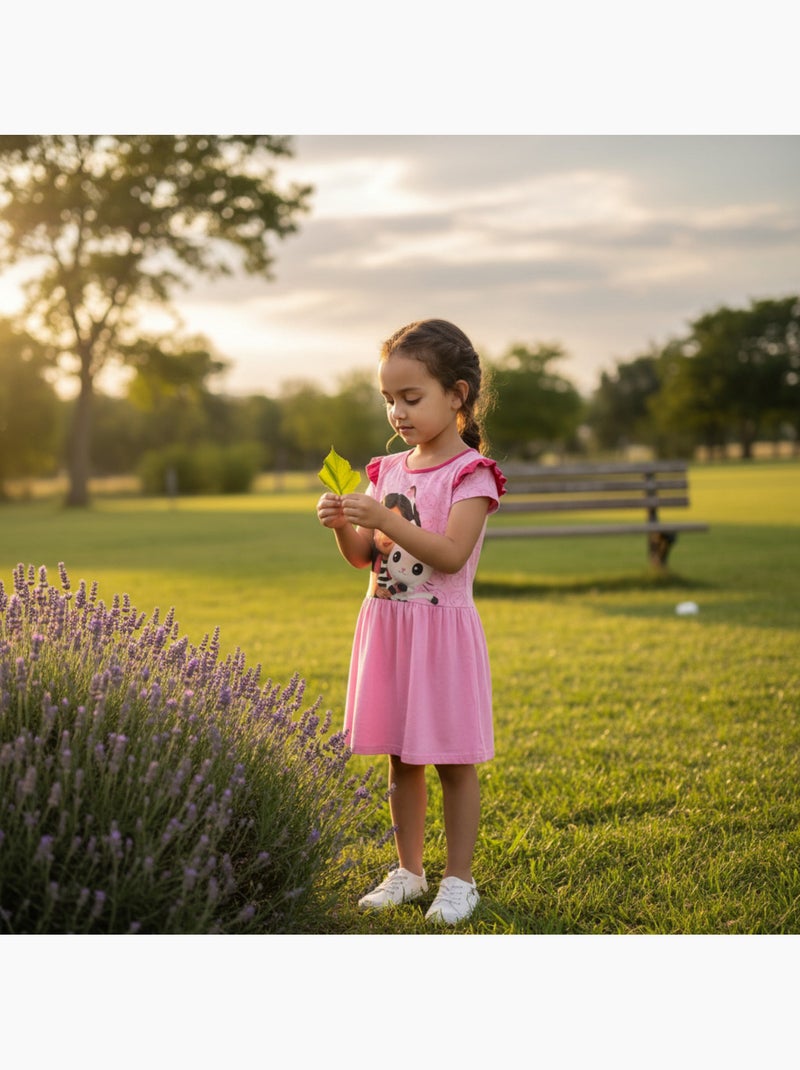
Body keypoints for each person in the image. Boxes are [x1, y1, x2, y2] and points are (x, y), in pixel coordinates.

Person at [316, 318, 506, 925]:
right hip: (391, 629)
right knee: (402, 757)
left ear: (457, 395)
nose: (397, 411)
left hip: (441, 635)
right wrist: (345, 523)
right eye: (388, 399)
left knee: (452, 760)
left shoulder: (470, 474)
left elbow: (450, 556)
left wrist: (387, 520)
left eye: (411, 397)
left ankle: (459, 880)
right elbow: (364, 560)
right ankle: (409, 871)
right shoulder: (385, 471)